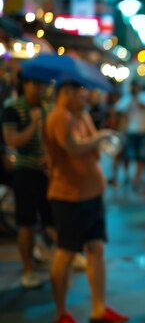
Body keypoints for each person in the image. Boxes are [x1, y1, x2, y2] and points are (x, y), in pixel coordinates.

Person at [43, 79, 127, 323]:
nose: (85, 99)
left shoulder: (81, 115)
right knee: (67, 253)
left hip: (91, 193)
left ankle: (99, 308)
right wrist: (100, 136)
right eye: (80, 95)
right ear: (66, 94)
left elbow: (97, 151)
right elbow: (72, 148)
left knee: (96, 248)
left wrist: (92, 129)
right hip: (67, 195)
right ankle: (61, 313)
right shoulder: (59, 116)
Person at [1, 74, 53, 288]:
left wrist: (50, 157)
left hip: (47, 173)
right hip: (25, 172)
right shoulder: (13, 108)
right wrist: (33, 122)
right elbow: (12, 141)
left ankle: (58, 256)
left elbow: (51, 138)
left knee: (52, 219)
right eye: (37, 83)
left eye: (43, 84)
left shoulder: (48, 108)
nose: (40, 88)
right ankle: (28, 269)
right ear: (26, 84)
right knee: (26, 222)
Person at [114, 81, 145, 191]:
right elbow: (118, 109)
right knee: (127, 155)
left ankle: (137, 179)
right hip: (130, 131)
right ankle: (127, 176)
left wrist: (136, 99)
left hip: (144, 131)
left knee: (141, 156)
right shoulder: (126, 98)